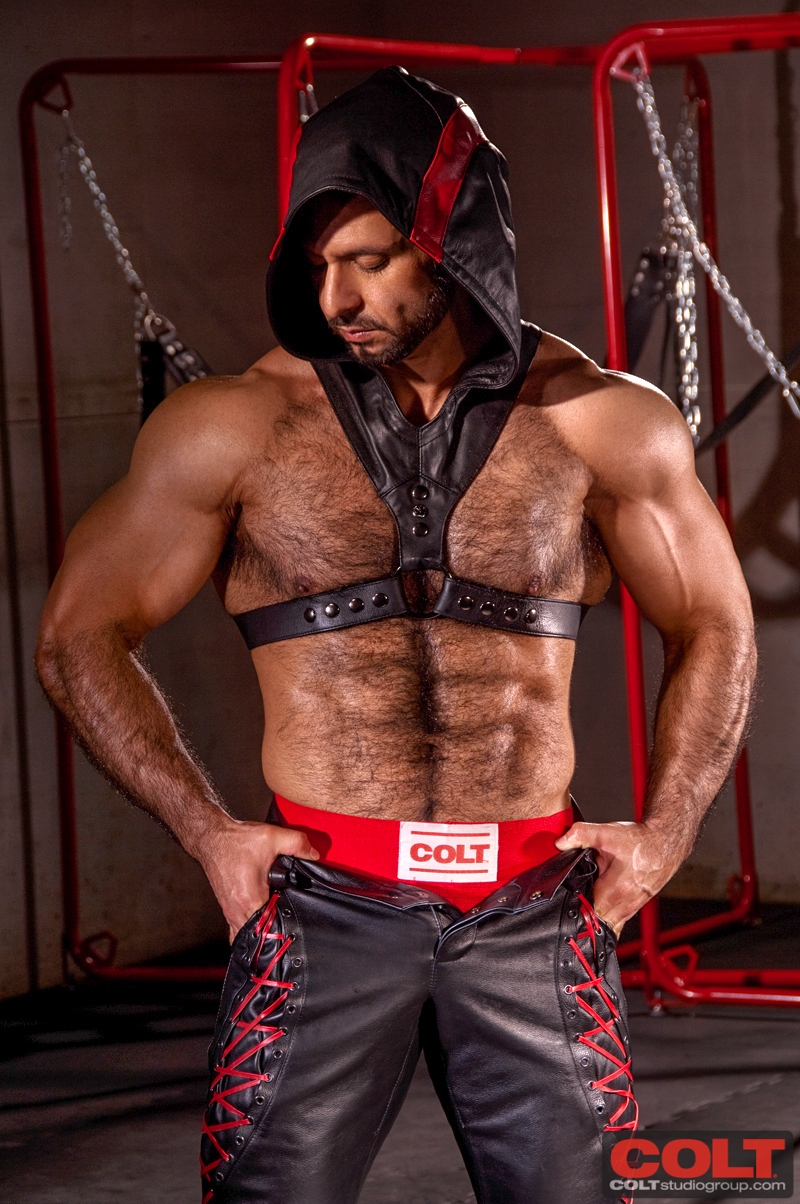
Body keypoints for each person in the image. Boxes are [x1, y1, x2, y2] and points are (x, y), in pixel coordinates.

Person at [36, 68, 756, 1204]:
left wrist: (668, 832)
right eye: (317, 265)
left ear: (453, 248)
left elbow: (714, 621)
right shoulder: (235, 425)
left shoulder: (602, 422)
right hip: (321, 908)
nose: (336, 297)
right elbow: (78, 632)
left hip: (533, 908)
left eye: (368, 260)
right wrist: (207, 833)